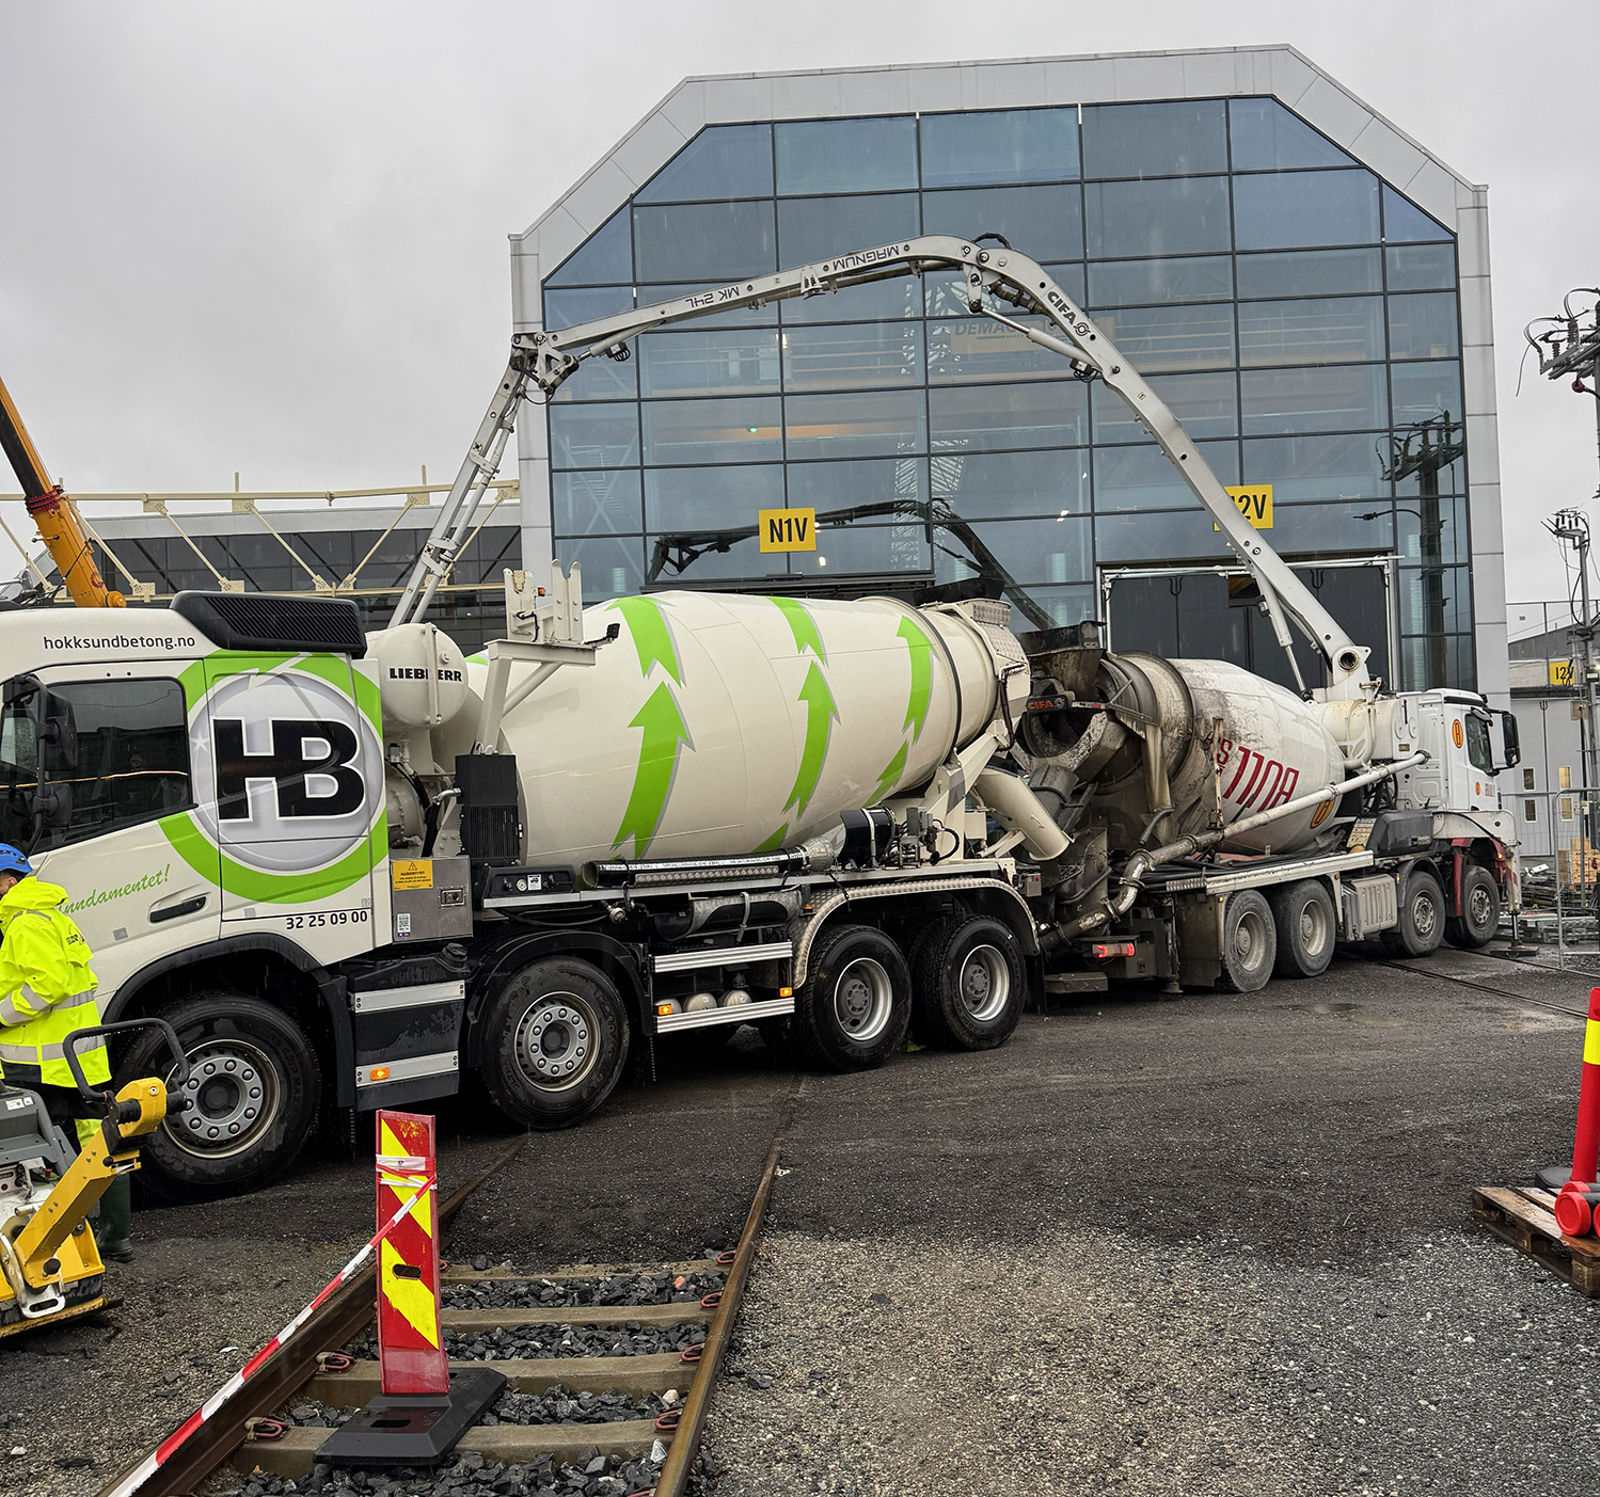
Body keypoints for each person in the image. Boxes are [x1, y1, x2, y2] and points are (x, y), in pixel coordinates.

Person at [0, 842, 133, 1262]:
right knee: (99, 1143)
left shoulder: (24, 923)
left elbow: (47, 986)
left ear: (8, 881)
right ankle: (115, 1236)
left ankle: (59, 1245)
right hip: (80, 1057)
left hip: (41, 1063)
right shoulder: (53, 915)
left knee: (42, 1152)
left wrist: (1, 1014)